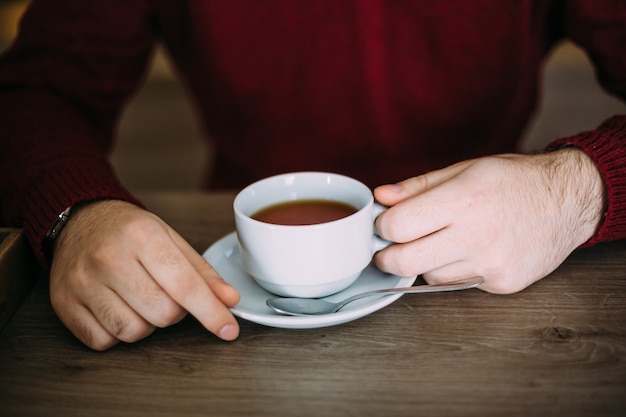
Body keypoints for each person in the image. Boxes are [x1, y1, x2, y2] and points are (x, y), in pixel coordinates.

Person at [0, 1, 624, 351]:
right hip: (239, 329)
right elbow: (36, 89)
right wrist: (73, 213)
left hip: (491, 294)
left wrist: (576, 190)